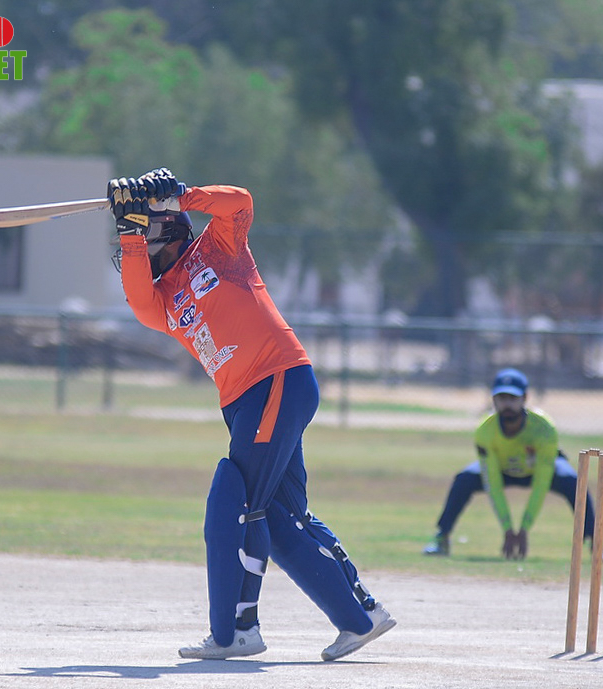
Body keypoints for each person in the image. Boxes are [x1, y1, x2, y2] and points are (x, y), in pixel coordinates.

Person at [108, 169, 396, 661]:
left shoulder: (218, 249)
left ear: (169, 231)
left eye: (142, 239)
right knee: (281, 519)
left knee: (234, 500)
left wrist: (181, 196)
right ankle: (360, 616)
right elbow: (137, 299)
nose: (132, 254)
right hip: (247, 400)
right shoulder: (162, 300)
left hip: (275, 379)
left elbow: (239, 201)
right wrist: (132, 233)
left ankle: (237, 630)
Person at [423, 367, 603, 561]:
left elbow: (542, 482)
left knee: (573, 481)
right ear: (494, 400)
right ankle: (441, 537)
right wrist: (508, 528)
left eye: (513, 398)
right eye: (502, 398)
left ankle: (597, 542)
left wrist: (524, 528)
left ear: (524, 398)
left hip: (538, 470)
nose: (507, 404)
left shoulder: (544, 428)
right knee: (464, 479)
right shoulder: (485, 430)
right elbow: (492, 482)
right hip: (501, 469)